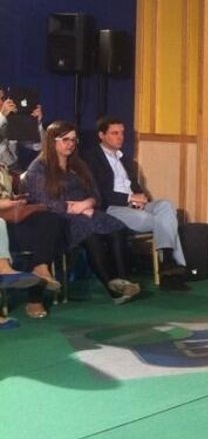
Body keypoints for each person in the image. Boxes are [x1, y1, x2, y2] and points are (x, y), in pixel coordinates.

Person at [23, 121, 142, 304]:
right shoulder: (39, 168)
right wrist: (74, 209)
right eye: (65, 139)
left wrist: (87, 203)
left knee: (116, 227)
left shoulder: (78, 165)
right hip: (60, 218)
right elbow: (43, 201)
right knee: (89, 232)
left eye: (73, 140)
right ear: (52, 141)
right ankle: (113, 290)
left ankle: (123, 280)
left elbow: (96, 194)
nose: (70, 144)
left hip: (87, 210)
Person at [84, 116, 191, 288]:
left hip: (134, 204)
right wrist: (129, 198)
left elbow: (134, 186)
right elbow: (98, 192)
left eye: (122, 133)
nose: (120, 137)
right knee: (159, 220)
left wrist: (141, 197)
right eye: (114, 133)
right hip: (113, 207)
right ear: (101, 135)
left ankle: (167, 262)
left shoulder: (126, 160)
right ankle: (170, 267)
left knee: (166, 207)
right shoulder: (91, 158)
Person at [1, 168, 63, 319]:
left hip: (11, 219)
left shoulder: (3, 167)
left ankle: (41, 270)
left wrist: (16, 199)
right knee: (37, 239)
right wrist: (7, 203)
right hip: (3, 225)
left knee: (50, 220)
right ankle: (35, 299)